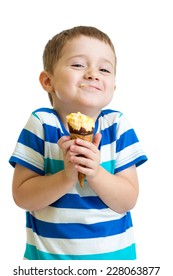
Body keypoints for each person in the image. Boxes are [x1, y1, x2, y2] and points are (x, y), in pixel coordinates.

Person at [9, 26, 147, 260]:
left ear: (113, 86)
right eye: (78, 65)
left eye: (104, 69)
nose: (93, 74)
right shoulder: (42, 123)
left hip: (113, 263)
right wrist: (66, 176)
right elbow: (22, 196)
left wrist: (96, 173)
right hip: (49, 263)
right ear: (48, 80)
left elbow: (127, 200)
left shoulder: (117, 125)